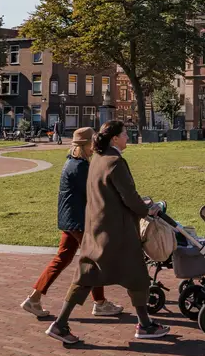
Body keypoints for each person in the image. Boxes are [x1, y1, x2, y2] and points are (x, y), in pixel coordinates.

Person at [45, 120, 170, 344]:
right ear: (114, 139)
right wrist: (147, 210)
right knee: (138, 275)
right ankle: (145, 325)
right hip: (117, 231)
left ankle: (60, 323)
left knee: (85, 276)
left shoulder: (97, 160)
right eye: (124, 134)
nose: (127, 138)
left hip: (95, 228)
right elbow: (129, 197)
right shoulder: (115, 162)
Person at [21, 127, 123, 319]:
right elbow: (95, 193)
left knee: (63, 259)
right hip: (78, 221)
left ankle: (33, 298)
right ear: (84, 145)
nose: (94, 147)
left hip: (69, 219)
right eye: (92, 144)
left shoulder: (71, 163)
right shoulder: (80, 167)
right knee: (94, 260)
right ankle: (100, 304)